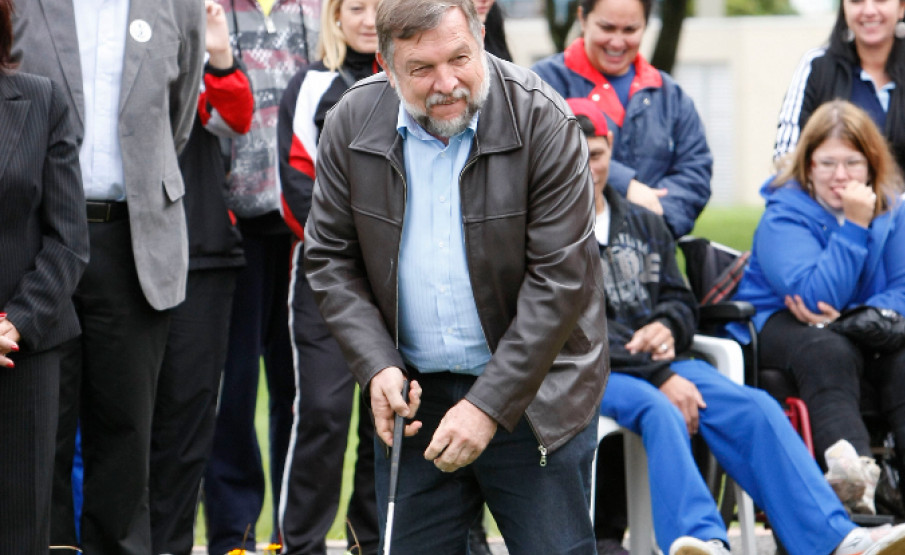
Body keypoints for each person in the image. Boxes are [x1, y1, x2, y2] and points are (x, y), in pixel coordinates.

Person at [303, 0, 610, 552]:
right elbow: (329, 258)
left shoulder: (543, 118)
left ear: (481, 36)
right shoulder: (351, 122)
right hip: (416, 401)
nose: (446, 83)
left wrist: (489, 404)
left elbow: (561, 281)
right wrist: (376, 364)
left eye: (459, 59)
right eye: (421, 68)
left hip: (534, 395)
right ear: (387, 65)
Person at [568, 96, 905, 555]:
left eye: (595, 155)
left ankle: (835, 538)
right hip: (587, 370)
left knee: (755, 408)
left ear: (610, 149)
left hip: (660, 363)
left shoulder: (644, 222)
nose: (586, 168)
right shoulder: (547, 229)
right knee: (661, 409)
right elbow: (566, 323)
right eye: (571, 155)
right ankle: (700, 539)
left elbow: (679, 298)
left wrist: (668, 327)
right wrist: (660, 373)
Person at [11, 2, 204, 553]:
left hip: (133, 243)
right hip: (36, 245)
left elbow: (180, 113)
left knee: (126, 438)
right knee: (36, 437)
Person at [734, 100, 905, 517]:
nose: (840, 176)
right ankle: (851, 480)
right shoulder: (783, 215)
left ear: (871, 164)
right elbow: (818, 298)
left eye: (852, 163)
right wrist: (854, 225)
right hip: (784, 324)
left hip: (856, 328)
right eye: (827, 163)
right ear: (808, 165)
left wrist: (854, 319)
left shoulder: (893, 209)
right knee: (828, 349)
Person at [203, 1, 318, 552]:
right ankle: (235, 534)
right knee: (234, 390)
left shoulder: (318, 10)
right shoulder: (206, 10)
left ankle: (293, 532)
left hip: (303, 227)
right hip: (231, 228)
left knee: (299, 394)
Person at [148, 3, 254, 554]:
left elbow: (235, 116)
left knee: (188, 423)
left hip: (204, 252)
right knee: (122, 424)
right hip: (123, 250)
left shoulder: (202, 44)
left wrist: (217, 49)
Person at [275, 0, 379, 552]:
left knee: (387, 421)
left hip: (396, 283)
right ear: (334, 16)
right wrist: (353, 247)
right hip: (325, 280)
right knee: (322, 411)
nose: (368, 18)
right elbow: (294, 187)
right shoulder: (309, 85)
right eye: (355, 7)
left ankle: (371, 540)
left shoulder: (410, 82)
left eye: (378, 6)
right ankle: (302, 543)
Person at [0, 1, 89, 551]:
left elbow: (68, 239)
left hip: (23, 354)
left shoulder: (41, 101)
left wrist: (14, 323)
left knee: (20, 527)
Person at [531, 0, 712, 239]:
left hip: (651, 250)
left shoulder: (670, 95)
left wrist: (652, 222)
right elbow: (543, 155)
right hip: (567, 248)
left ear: (645, 25)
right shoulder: (541, 83)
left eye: (630, 30)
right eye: (607, 28)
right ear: (582, 18)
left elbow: (695, 172)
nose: (617, 42)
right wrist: (626, 186)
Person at [774, 0, 905, 184]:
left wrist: (886, 202)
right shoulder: (817, 66)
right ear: (844, 8)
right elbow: (786, 155)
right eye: (856, 1)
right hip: (827, 199)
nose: (869, 10)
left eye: (880, 0)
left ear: (902, 7)